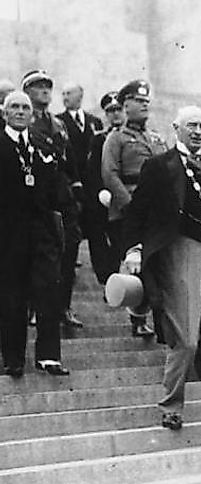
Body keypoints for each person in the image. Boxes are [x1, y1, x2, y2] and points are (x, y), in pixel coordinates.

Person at [121, 105, 201, 447]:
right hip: (179, 250)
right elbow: (136, 213)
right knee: (187, 338)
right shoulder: (159, 166)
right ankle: (171, 402)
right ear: (176, 128)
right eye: (192, 125)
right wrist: (134, 250)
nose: (199, 131)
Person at [0, 91, 69, 377]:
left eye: (24, 107)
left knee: (48, 291)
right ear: (4, 113)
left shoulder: (42, 143)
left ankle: (49, 356)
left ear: (31, 114)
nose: (19, 111)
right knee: (12, 294)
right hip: (7, 231)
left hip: (42, 230)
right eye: (13, 107)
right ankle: (14, 357)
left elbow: (55, 187)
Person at [101, 80, 167, 338]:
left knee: (157, 267)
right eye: (139, 101)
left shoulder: (155, 139)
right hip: (129, 212)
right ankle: (138, 315)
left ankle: (149, 317)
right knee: (137, 267)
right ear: (125, 105)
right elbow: (110, 174)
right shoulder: (116, 138)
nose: (144, 105)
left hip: (157, 213)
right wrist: (131, 207)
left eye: (147, 101)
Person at [22, 70, 85, 330]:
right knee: (38, 253)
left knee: (69, 250)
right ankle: (36, 307)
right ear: (27, 92)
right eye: (38, 87)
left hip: (62, 195)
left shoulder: (59, 124)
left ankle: (63, 306)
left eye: (48, 87)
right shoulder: (24, 122)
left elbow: (70, 162)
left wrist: (77, 190)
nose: (45, 91)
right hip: (37, 195)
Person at [57, 82, 104, 328]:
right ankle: (61, 306)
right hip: (69, 189)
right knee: (68, 246)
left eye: (69, 93)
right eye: (62, 94)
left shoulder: (94, 122)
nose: (65, 98)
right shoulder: (58, 121)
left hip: (92, 190)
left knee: (95, 234)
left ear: (80, 95)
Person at [84, 91, 125, 284]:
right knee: (102, 241)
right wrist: (101, 190)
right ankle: (108, 280)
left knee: (122, 242)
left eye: (119, 109)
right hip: (106, 197)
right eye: (111, 111)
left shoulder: (131, 137)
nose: (115, 114)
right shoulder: (99, 139)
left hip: (126, 194)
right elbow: (92, 170)